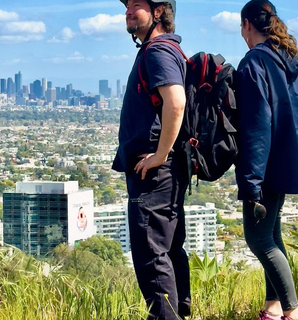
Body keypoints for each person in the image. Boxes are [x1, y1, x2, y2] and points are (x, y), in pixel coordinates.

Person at [235, 1, 298, 320]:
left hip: (264, 168)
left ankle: (292, 314)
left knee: (258, 239)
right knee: (272, 233)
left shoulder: (255, 62)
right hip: (284, 163)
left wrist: (251, 183)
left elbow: (256, 127)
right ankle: (273, 307)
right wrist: (287, 149)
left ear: (246, 25)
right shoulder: (290, 60)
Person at [112, 0, 190, 319]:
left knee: (152, 257)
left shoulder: (157, 51)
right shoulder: (163, 49)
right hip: (163, 171)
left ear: (158, 12)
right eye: (127, 6)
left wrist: (160, 155)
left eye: (137, 5)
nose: (129, 11)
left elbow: (176, 102)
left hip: (154, 174)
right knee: (168, 251)